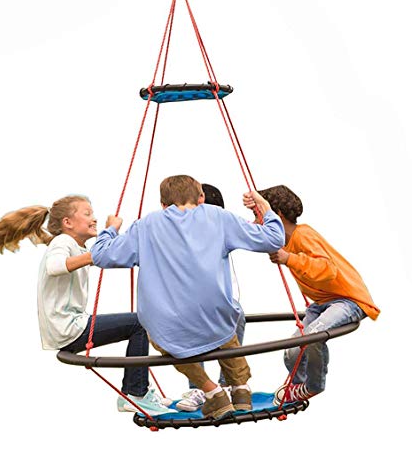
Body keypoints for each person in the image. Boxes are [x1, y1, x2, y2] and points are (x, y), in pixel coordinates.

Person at [91, 175, 285, 419]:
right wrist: (263, 206)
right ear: (201, 197)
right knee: (225, 327)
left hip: (171, 325)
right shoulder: (219, 217)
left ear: (163, 204)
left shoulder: (146, 225)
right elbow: (274, 239)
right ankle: (241, 390)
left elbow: (101, 256)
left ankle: (213, 392)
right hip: (216, 317)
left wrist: (111, 229)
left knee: (163, 338)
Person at [0, 195, 173, 416]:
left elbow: (106, 255)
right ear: (67, 222)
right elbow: (55, 266)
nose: (94, 218)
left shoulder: (73, 246)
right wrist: (96, 252)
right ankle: (136, 393)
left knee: (138, 322)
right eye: (87, 214)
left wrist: (112, 236)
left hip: (68, 326)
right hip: (69, 328)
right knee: (139, 322)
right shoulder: (63, 242)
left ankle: (135, 391)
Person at [246, 185, 380, 405]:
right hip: (322, 303)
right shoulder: (283, 241)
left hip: (348, 300)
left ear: (277, 215)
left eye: (258, 215)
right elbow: (253, 236)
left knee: (313, 336)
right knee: (291, 351)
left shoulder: (303, 234)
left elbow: (328, 270)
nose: (255, 221)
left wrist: (289, 258)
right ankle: (295, 389)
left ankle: (313, 386)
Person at [175, 183, 246, 412]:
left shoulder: (221, 230)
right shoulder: (178, 233)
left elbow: (253, 233)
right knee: (189, 323)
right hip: (187, 300)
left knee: (236, 315)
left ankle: (228, 384)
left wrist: (262, 211)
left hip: (219, 298)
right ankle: (201, 388)